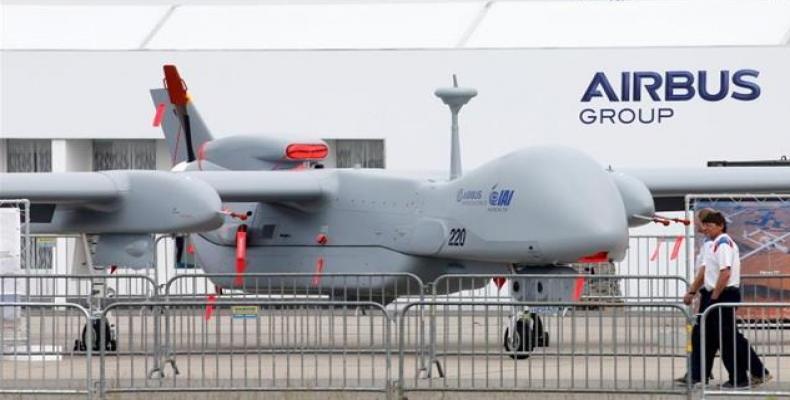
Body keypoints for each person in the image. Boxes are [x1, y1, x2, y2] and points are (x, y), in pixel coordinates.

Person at [699, 211, 771, 388]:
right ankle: (747, 374)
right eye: (704, 225)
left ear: (720, 225)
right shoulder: (715, 243)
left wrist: (714, 298)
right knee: (728, 338)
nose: (705, 228)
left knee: (729, 339)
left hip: (723, 294)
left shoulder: (723, 244)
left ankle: (747, 375)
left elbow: (725, 273)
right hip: (720, 293)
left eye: (709, 225)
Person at [676, 208, 715, 385]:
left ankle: (697, 373)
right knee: (707, 336)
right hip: (708, 293)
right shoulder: (709, 242)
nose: (698, 226)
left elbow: (704, 271)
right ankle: (699, 372)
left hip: (711, 293)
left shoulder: (711, 244)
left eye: (699, 222)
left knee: (703, 335)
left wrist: (692, 291)